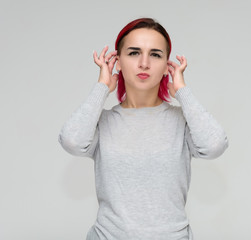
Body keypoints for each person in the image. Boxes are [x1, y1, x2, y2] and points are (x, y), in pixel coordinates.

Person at [58, 18, 228, 240]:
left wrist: (182, 91)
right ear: (117, 62)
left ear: (168, 66)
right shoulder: (102, 122)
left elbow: (214, 145)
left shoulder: (182, 122)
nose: (144, 63)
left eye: (155, 54)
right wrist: (101, 88)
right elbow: (71, 141)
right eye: (134, 53)